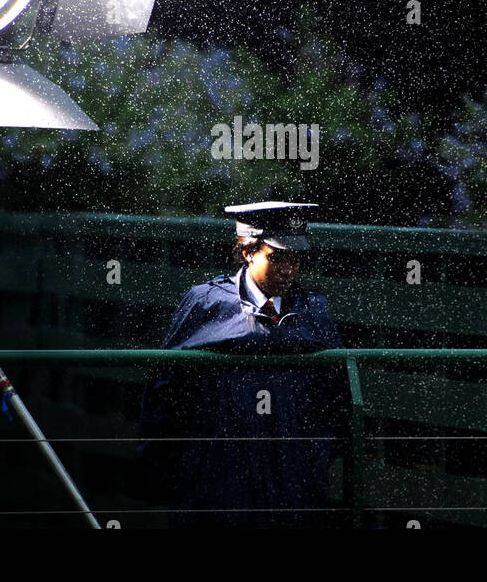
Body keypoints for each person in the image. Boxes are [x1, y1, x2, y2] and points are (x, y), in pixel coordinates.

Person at [137, 201, 350, 528]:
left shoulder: (312, 309)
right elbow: (167, 387)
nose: (288, 269)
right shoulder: (207, 302)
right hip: (220, 470)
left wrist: (316, 454)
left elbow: (335, 391)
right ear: (249, 252)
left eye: (295, 258)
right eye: (277, 257)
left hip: (291, 472)